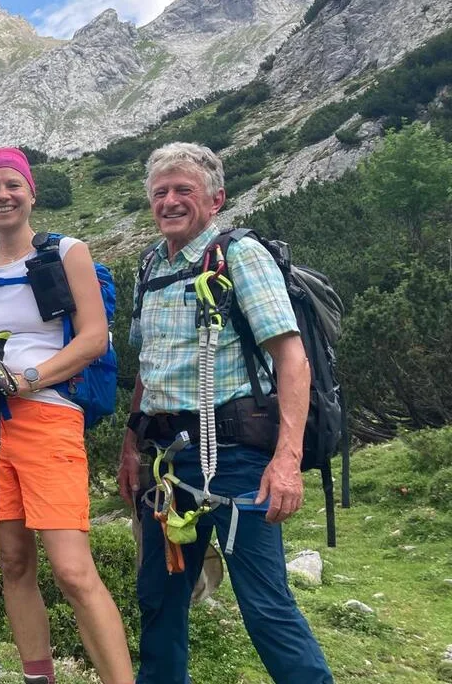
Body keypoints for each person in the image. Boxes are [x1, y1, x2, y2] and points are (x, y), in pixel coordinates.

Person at [117, 141, 332, 682]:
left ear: (215, 199)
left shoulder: (240, 255)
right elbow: (149, 365)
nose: (170, 201)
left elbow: (291, 357)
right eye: (160, 192)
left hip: (238, 460)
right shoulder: (150, 265)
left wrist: (287, 460)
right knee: (160, 602)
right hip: (165, 465)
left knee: (265, 606)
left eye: (183, 190)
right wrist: (128, 448)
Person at [0, 147, 135, 684]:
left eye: (12, 185)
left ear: (31, 192)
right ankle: (39, 677)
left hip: (49, 416)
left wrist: (28, 378)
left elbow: (94, 338)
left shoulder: (67, 252)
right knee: (12, 561)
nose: (2, 195)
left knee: (73, 570)